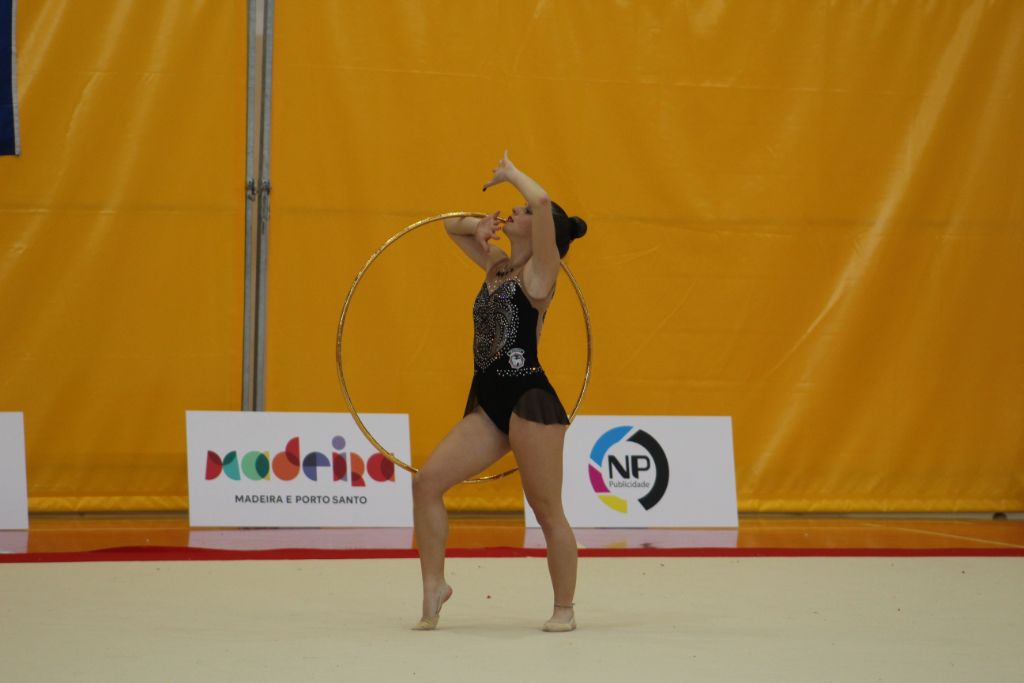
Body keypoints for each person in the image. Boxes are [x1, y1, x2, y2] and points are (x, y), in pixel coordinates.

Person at [412, 152, 588, 632]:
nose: (516, 210)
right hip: (489, 402)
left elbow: (543, 200)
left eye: (522, 211)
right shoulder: (497, 266)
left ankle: (565, 608)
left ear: (542, 232)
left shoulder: (540, 274)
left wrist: (511, 174)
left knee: (547, 511)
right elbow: (449, 227)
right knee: (426, 484)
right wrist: (480, 226)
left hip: (529, 401)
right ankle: (434, 584)